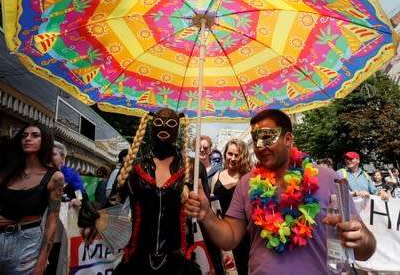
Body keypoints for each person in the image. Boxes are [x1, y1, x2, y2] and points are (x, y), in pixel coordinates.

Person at [185, 109, 376, 274]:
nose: (260, 146)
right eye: (255, 139)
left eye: (267, 137)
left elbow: (365, 250)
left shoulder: (330, 179)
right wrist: (207, 215)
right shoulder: (246, 183)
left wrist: (361, 239)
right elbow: (230, 239)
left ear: (288, 139)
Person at [78, 108, 205, 275]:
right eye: (158, 122)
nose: (164, 128)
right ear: (150, 126)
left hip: (179, 263)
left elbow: (205, 217)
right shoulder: (134, 167)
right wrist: (93, 213)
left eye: (171, 123)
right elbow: (111, 209)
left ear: (179, 129)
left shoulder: (194, 169)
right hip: (137, 262)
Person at [0, 123, 64, 275]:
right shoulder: (7, 172)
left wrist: (40, 264)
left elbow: (51, 225)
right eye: (24, 135)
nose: (28, 139)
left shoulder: (55, 177)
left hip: (27, 243)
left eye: (35, 135)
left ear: (45, 140)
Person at [210, 138, 251, 275]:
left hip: (244, 236)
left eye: (237, 155)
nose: (232, 158)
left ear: (243, 156)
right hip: (221, 234)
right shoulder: (216, 177)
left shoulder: (248, 178)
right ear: (225, 154)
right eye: (230, 154)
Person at [46, 141, 86, 275]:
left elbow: (82, 197)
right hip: (40, 234)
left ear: (62, 158)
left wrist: (77, 201)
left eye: (53, 155)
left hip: (61, 235)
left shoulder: (72, 179)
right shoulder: (40, 177)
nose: (49, 158)